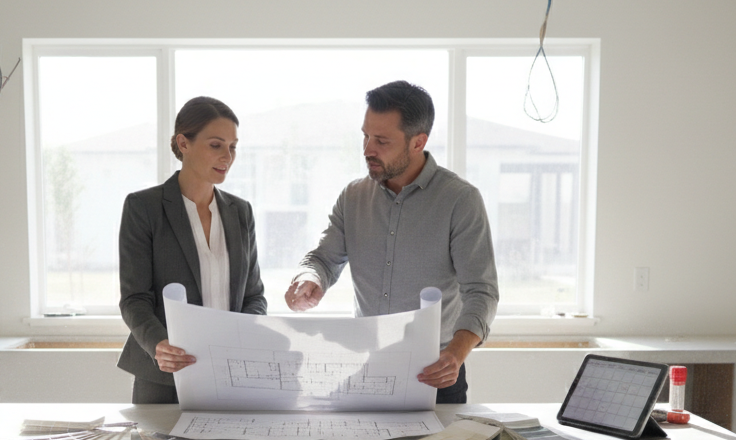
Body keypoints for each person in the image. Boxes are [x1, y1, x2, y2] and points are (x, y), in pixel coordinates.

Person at [285, 81, 498, 404]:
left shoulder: (460, 200)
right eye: (365, 136)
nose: (368, 149)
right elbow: (324, 259)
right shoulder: (353, 197)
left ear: (418, 142)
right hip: (365, 369)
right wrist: (309, 277)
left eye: (382, 140)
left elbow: (481, 291)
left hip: (435, 374)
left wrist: (456, 354)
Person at [117, 97, 267, 403]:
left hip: (230, 376)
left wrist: (246, 338)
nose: (227, 156)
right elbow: (135, 299)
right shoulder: (144, 208)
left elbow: (254, 297)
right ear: (183, 143)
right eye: (216, 145)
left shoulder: (241, 212)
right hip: (164, 377)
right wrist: (159, 344)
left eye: (233, 146)